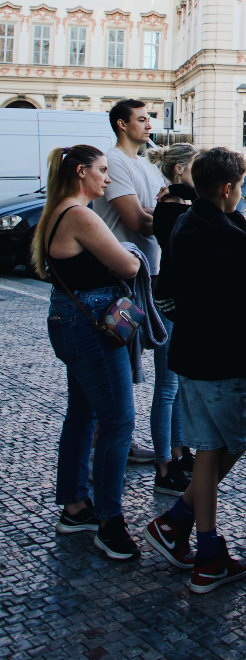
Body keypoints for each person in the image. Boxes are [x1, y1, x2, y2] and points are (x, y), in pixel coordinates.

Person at [145, 148, 246, 594]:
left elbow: (165, 292)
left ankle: (192, 538)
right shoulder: (229, 234)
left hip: (189, 354)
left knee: (209, 448)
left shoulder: (181, 223)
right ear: (230, 188)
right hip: (223, 357)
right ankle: (191, 537)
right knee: (236, 438)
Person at [32, 145, 142, 560]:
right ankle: (110, 523)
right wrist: (128, 252)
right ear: (81, 172)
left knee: (82, 414)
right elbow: (128, 267)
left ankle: (75, 505)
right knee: (118, 419)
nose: (107, 178)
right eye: (101, 170)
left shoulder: (56, 211)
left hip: (68, 318)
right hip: (90, 323)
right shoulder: (79, 214)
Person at [93, 98, 164, 465]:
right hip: (120, 280)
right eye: (141, 119)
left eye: (148, 118)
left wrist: (162, 211)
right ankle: (102, 447)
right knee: (114, 364)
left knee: (129, 363)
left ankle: (119, 440)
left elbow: (156, 210)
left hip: (145, 276)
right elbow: (138, 220)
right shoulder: (116, 161)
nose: (149, 125)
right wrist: (167, 212)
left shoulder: (144, 162)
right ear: (122, 124)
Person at [148, 143, 198, 495]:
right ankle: (164, 464)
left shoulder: (181, 205)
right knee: (167, 388)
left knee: (179, 385)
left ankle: (180, 453)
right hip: (169, 303)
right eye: (196, 166)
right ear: (180, 169)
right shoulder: (169, 208)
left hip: (181, 303)